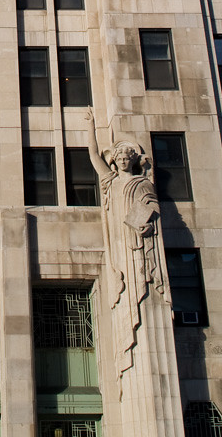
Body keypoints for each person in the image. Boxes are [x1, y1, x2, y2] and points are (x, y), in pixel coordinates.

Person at [86, 108, 166, 381]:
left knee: (139, 292)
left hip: (138, 244)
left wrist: (143, 221)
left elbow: (152, 206)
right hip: (119, 248)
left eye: (126, 157)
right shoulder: (110, 181)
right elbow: (93, 157)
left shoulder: (142, 182)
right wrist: (91, 127)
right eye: (118, 157)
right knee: (126, 292)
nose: (121, 161)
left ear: (132, 160)